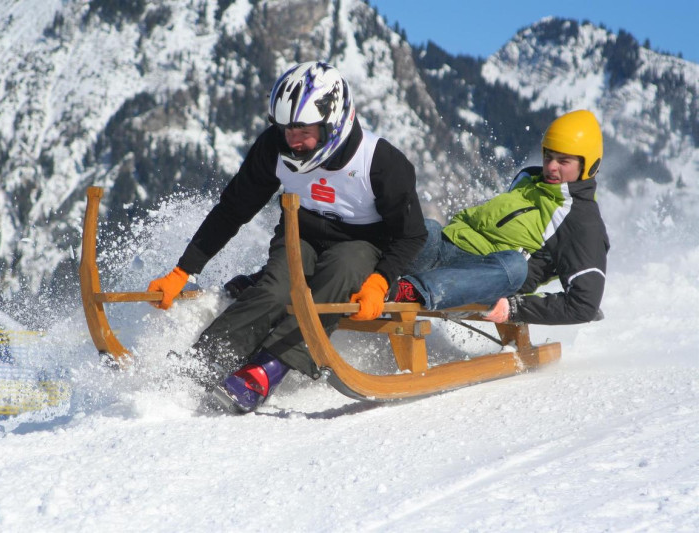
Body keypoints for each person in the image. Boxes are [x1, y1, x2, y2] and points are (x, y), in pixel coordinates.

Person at [147, 61, 427, 413]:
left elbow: (412, 235)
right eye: (285, 128)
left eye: (303, 129)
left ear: (334, 121)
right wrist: (183, 271)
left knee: (340, 270)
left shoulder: (381, 161)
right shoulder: (274, 148)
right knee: (277, 288)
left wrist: (379, 281)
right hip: (301, 235)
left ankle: (266, 369)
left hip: (364, 244)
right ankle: (202, 363)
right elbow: (233, 208)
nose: (292, 139)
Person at [393, 109, 609, 325]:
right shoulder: (528, 178)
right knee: (427, 228)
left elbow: (584, 305)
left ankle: (409, 291)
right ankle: (374, 277)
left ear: (588, 165)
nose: (551, 167)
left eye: (563, 161)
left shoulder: (581, 220)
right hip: (448, 249)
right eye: (548, 156)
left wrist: (516, 309)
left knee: (514, 266)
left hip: (485, 278)